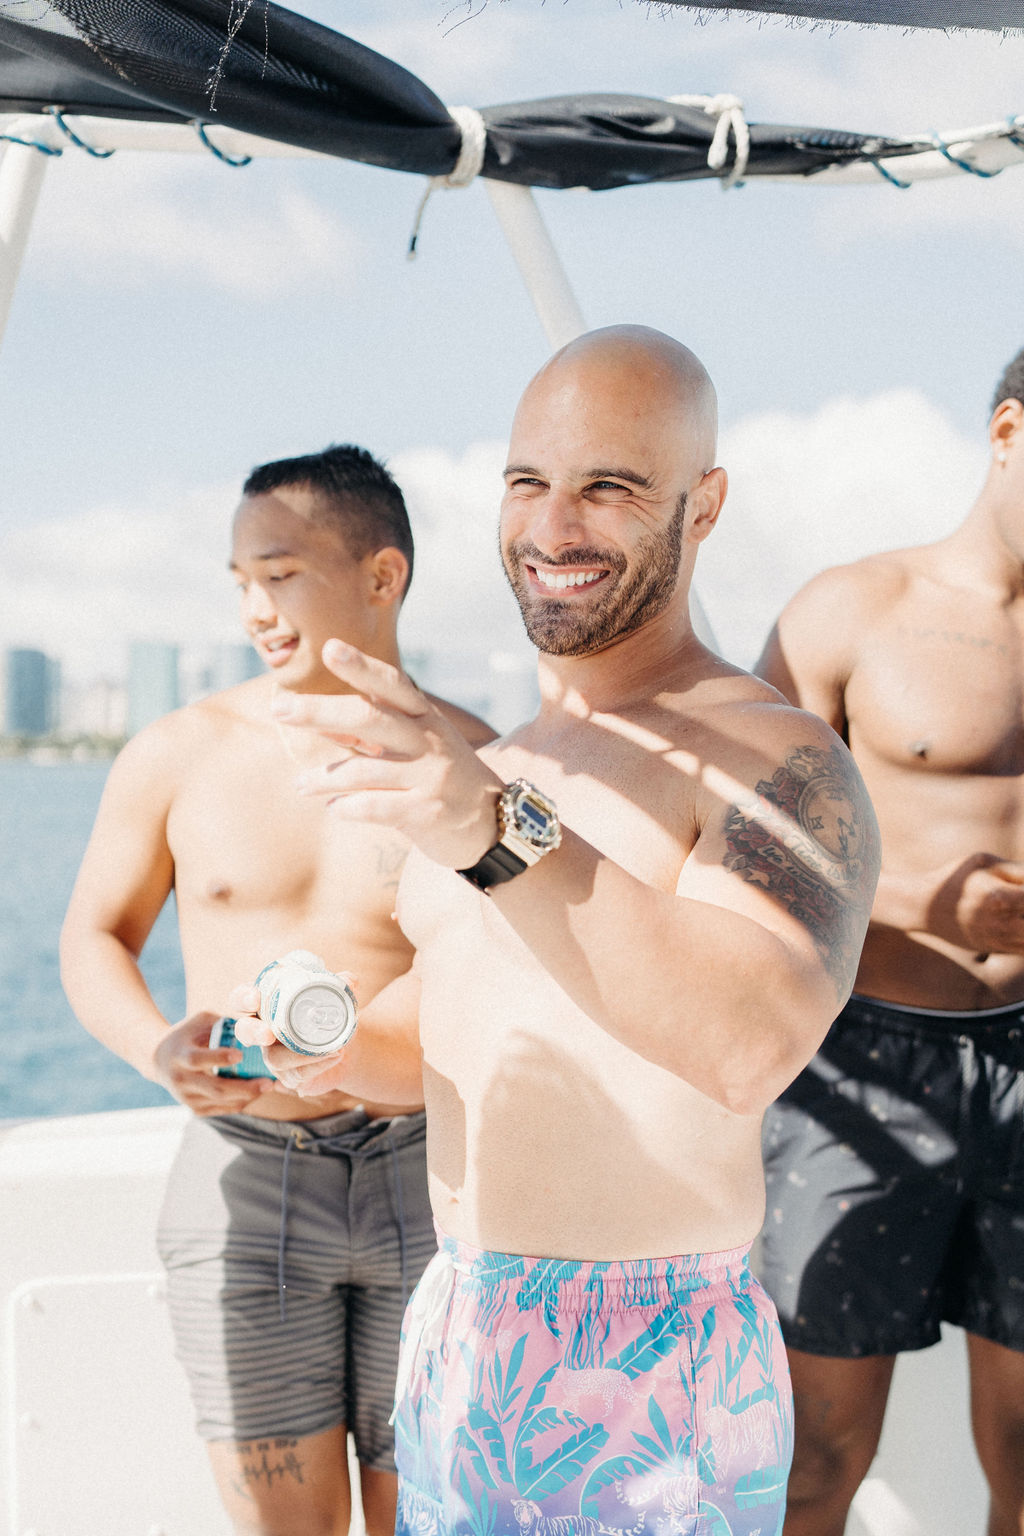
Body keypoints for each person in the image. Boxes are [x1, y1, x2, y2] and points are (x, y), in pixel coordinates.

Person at [232, 326, 880, 1536]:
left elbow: (748, 1043)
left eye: (610, 486)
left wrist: (489, 827)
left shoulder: (779, 760)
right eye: (528, 481)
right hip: (461, 1328)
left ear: (706, 503)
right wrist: (309, 1047)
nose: (554, 524)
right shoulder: (502, 766)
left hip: (656, 1364)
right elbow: (449, 1029)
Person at [59, 443, 494, 1536]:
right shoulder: (177, 752)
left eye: (282, 573)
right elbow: (97, 937)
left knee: (431, 1519)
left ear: (382, 576)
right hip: (245, 1185)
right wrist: (158, 1049)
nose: (255, 606)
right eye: (241, 580)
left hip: (429, 1178)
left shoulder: (474, 764)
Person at [754, 348, 1024, 1536]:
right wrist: (923, 902)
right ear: (1008, 432)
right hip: (863, 1058)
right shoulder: (853, 609)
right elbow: (744, 837)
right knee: (819, 1455)